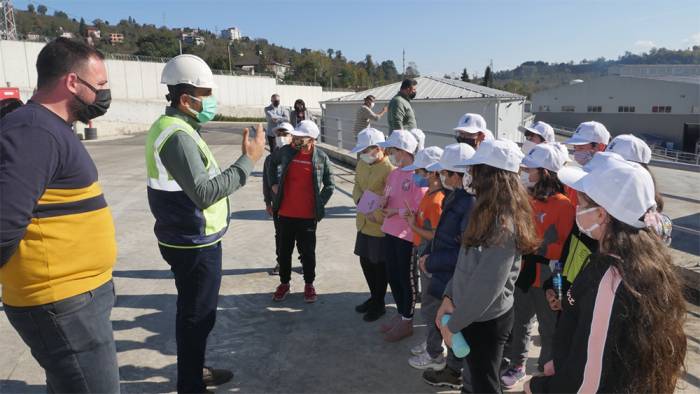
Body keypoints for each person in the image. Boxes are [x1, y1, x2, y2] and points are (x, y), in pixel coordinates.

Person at [0, 37, 120, 393]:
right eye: (99, 86)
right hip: (62, 304)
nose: (103, 94)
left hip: (74, 301)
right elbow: (4, 222)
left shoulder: (50, 128)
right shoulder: (33, 131)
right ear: (72, 82)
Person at [146, 54, 266, 393]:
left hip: (186, 235)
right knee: (197, 316)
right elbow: (205, 192)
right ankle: (191, 383)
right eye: (206, 93)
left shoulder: (177, 128)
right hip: (192, 241)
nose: (211, 101)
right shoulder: (177, 136)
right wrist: (249, 160)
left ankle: (194, 370)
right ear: (186, 99)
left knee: (195, 313)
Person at [525, 153, 686, 393]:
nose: (576, 209)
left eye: (581, 204)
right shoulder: (645, 261)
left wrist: (538, 387)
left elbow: (587, 382)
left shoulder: (610, 280)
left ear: (602, 215)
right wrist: (559, 363)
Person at [436, 139, 540, 394]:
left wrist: (454, 324)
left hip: (486, 319)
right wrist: (449, 295)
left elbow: (487, 286)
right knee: (475, 379)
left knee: (484, 383)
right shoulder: (483, 210)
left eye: (475, 170)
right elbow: (465, 262)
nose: (469, 175)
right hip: (470, 313)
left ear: (492, 176)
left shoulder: (503, 224)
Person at [501, 143, 574, 389]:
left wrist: (540, 247)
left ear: (545, 173)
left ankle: (546, 370)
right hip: (524, 271)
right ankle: (517, 364)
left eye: (531, 170)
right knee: (519, 321)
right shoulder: (528, 199)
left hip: (547, 275)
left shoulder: (564, 204)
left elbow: (565, 246)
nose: (526, 174)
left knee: (548, 325)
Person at [415, 143, 477, 391]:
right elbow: (444, 235)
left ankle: (454, 372)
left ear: (459, 175)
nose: (441, 177)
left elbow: (463, 252)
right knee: (447, 321)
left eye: (445, 173)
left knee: (454, 323)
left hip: (453, 276)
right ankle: (453, 369)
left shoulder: (469, 204)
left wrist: (431, 261)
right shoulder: (458, 197)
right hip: (444, 271)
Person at [267, 120, 335, 303]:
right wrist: (273, 184)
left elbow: (330, 184)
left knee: (308, 253)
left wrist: (319, 202)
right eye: (294, 136)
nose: (295, 139)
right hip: (285, 214)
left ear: (311, 139)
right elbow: (270, 164)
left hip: (308, 217)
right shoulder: (287, 152)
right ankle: (284, 283)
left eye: (299, 137)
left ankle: (309, 284)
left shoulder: (321, 158)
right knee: (284, 252)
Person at [377, 129, 425, 342]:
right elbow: (388, 194)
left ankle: (407, 320)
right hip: (390, 229)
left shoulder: (418, 176)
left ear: (404, 151)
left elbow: (418, 207)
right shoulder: (394, 173)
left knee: (407, 278)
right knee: (392, 274)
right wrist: (382, 203)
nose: (391, 154)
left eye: (393, 150)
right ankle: (400, 313)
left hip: (407, 234)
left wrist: (396, 212)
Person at [401, 146, 446, 344]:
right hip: (424, 254)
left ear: (432, 173)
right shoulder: (430, 194)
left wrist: (412, 226)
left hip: (430, 257)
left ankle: (434, 349)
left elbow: (435, 235)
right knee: (428, 303)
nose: (416, 175)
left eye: (419, 172)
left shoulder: (437, 200)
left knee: (430, 305)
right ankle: (431, 344)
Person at [351, 127, 393, 321]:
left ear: (378, 148)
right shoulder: (362, 163)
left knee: (378, 265)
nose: (363, 155)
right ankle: (373, 297)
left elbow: (391, 199)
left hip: (378, 225)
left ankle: (379, 302)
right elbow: (357, 185)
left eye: (366, 151)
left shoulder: (389, 170)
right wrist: (359, 200)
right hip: (363, 222)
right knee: (365, 261)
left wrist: (376, 214)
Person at [263, 122, 296, 276]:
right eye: (278, 135)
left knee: (301, 234)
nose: (281, 137)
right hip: (278, 204)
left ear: (292, 137)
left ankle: (303, 261)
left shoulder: (297, 156)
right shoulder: (270, 159)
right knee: (280, 234)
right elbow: (266, 182)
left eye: (285, 134)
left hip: (297, 204)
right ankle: (281, 261)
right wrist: (267, 202)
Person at [562, 121, 610, 207]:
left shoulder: (607, 182)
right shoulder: (577, 177)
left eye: (581, 147)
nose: (576, 152)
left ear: (600, 147)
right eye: (575, 148)